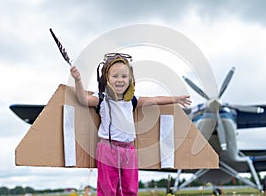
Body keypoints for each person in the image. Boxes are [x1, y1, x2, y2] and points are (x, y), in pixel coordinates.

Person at [70, 53, 191, 196]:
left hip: (129, 151)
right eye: (115, 76)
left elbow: (155, 99)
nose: (119, 80)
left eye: (124, 76)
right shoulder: (101, 98)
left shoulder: (132, 101)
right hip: (108, 149)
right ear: (106, 78)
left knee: (130, 189)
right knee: (108, 189)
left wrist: (175, 99)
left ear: (130, 79)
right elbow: (83, 100)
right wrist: (78, 80)